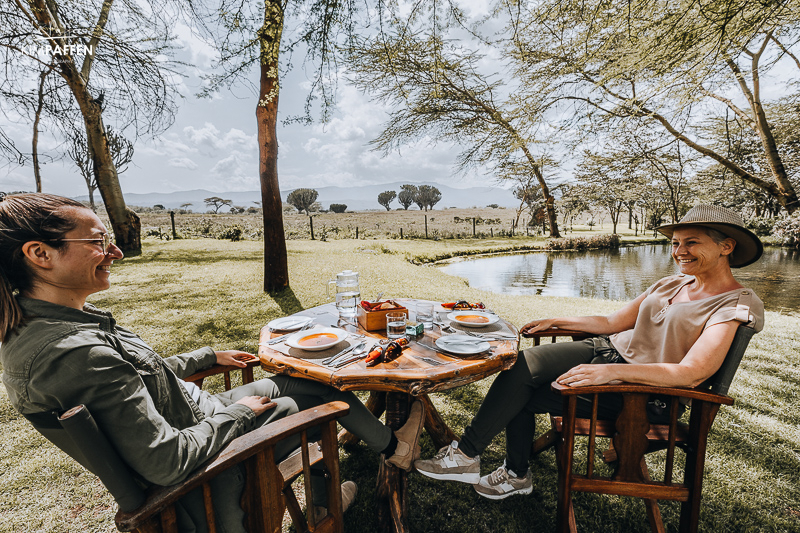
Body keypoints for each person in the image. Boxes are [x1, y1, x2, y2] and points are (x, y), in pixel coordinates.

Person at [0, 193, 426, 532]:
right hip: (210, 463)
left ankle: (386, 452)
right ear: (40, 253)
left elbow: (130, 377)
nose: (115, 251)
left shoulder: (47, 328)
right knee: (323, 401)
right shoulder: (72, 353)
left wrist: (206, 357)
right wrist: (239, 415)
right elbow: (166, 461)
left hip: (197, 414)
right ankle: (347, 486)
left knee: (297, 379)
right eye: (96, 241)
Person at [414, 204, 765, 500]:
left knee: (521, 392)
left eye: (691, 243)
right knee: (518, 367)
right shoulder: (672, 282)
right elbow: (614, 322)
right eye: (675, 243)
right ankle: (472, 458)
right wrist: (559, 320)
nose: (679, 251)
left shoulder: (733, 304)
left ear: (727, 246)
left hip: (643, 392)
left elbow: (692, 373)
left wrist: (612, 373)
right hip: (607, 353)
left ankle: (506, 470)